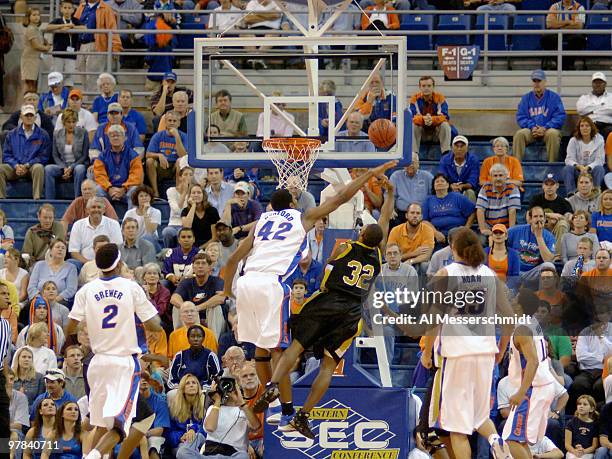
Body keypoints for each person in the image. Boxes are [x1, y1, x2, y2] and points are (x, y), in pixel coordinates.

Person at [224, 161, 396, 431]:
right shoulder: (379, 252)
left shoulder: (344, 247)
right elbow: (382, 217)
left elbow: (325, 266)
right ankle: (302, 415)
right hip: (352, 312)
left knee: (292, 346)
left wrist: (226, 291)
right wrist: (389, 193)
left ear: (361, 232)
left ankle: (272, 389)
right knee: (328, 364)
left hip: (321, 298)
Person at [423, 228, 515, 459]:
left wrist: (427, 351)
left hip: (456, 356)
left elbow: (434, 318)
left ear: (454, 248)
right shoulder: (489, 274)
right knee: (480, 416)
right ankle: (496, 442)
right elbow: (509, 318)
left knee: (457, 427)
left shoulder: (446, 273)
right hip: (485, 354)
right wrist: (501, 350)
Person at [65, 243, 162, 459]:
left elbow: (70, 327)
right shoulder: (130, 287)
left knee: (100, 424)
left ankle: (91, 454)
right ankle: (92, 456)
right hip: (123, 362)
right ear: (119, 263)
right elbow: (155, 324)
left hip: (96, 362)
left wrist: (90, 324)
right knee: (119, 427)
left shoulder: (86, 290)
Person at [502, 289, 557, 459]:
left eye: (514, 299)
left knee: (511, 440)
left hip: (533, 389)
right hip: (542, 386)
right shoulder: (531, 323)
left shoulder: (522, 329)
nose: (511, 301)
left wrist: (521, 392)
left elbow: (532, 361)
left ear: (519, 305)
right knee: (521, 440)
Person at [177, 373, 260, 459]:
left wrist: (241, 402)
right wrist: (217, 401)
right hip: (210, 454)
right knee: (182, 452)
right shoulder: (213, 408)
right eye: (223, 386)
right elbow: (210, 427)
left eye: (231, 386)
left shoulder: (244, 410)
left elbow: (256, 426)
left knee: (243, 456)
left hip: (233, 454)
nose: (227, 389)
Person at [0, 105, 51, 200]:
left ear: (35, 117)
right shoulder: (11, 134)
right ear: (21, 116)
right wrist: (16, 165)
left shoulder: (43, 135)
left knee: (39, 167)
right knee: (1, 169)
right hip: (14, 168)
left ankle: (37, 199)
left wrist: (28, 164)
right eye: (26, 115)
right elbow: (6, 155)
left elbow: (43, 156)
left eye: (31, 115)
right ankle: (1, 201)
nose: (29, 117)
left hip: (31, 167)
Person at [513, 70, 566, 162]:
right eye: (534, 81)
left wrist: (545, 127)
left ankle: (552, 167)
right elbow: (521, 116)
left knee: (553, 134)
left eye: (539, 81)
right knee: (519, 134)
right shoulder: (526, 98)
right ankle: (516, 167)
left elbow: (560, 116)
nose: (537, 84)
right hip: (531, 131)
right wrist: (532, 127)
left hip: (548, 130)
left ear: (545, 82)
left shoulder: (554, 97)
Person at [170, 253, 225, 338]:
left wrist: (197, 308)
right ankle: (179, 340)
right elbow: (174, 298)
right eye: (197, 263)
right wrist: (187, 308)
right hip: (191, 316)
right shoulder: (186, 282)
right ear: (193, 267)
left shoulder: (217, 281)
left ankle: (213, 342)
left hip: (210, 317)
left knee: (216, 307)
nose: (200, 266)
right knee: (177, 308)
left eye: (203, 263)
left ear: (210, 267)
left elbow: (220, 298)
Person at [93, 124, 144, 208]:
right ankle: (102, 219)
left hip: (126, 190)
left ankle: (132, 219)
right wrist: (109, 188)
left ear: (124, 138)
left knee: (135, 190)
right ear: (109, 139)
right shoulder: (102, 156)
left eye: (118, 135)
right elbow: (99, 175)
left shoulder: (133, 155)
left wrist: (124, 188)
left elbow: (136, 176)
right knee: (98, 190)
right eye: (112, 136)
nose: (115, 138)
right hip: (109, 190)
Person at [45, 108, 88, 200]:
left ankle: (78, 200)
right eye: (68, 122)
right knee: (48, 169)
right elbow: (55, 155)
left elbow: (84, 155)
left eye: (73, 121)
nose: (71, 124)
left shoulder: (83, 133)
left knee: (80, 169)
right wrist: (64, 167)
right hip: (62, 165)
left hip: (77, 164)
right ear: (64, 122)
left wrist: (71, 167)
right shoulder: (57, 134)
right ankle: (49, 201)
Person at [68, 197, 122, 270]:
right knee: (71, 263)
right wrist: (89, 264)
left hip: (108, 263)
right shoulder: (78, 225)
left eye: (99, 207)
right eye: (93, 207)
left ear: (104, 210)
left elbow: (117, 248)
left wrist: (105, 263)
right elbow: (74, 252)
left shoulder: (113, 224)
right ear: (87, 210)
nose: (96, 210)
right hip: (84, 264)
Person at [146, 110, 187, 198]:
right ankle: (155, 192)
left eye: (174, 121)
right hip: (161, 165)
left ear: (179, 123)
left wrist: (177, 137)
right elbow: (148, 154)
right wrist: (159, 155)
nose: (172, 123)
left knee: (181, 161)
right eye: (169, 120)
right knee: (150, 161)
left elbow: (183, 156)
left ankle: (178, 191)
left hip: (175, 167)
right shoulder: (158, 136)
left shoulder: (183, 136)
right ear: (165, 122)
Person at [422, 173, 475, 239]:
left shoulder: (458, 197)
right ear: (434, 186)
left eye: (442, 181)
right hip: (438, 235)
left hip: (458, 234)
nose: (439, 183)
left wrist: (466, 229)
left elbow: (472, 213)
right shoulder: (428, 200)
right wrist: (435, 233)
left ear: (447, 185)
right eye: (437, 182)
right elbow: (424, 221)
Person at [168, 325, 221, 390]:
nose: (196, 339)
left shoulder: (211, 356)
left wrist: (200, 388)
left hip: (203, 390)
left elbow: (218, 378)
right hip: (182, 390)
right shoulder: (179, 355)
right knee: (172, 394)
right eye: (192, 336)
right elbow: (171, 381)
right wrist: (183, 388)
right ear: (188, 338)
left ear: (203, 338)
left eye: (199, 336)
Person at [387, 203, 435, 275]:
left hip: (417, 262)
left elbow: (426, 256)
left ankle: (423, 286)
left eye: (418, 213)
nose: (415, 216)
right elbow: (391, 256)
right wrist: (413, 253)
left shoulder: (428, 230)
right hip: (400, 262)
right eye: (412, 213)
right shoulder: (395, 230)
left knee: (425, 265)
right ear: (406, 215)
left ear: (421, 217)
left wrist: (411, 261)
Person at [410, 75, 452, 155]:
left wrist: (432, 120)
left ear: (433, 87)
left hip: (436, 134)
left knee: (445, 125)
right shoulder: (414, 99)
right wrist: (424, 119)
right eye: (423, 86)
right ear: (420, 87)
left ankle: (446, 154)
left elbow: (444, 117)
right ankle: (414, 154)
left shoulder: (440, 98)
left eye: (429, 86)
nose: (426, 88)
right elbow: (412, 117)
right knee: (413, 125)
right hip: (422, 134)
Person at [563, 117, 606, 195]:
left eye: (587, 125)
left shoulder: (599, 139)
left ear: (591, 127)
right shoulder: (573, 140)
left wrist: (588, 167)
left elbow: (600, 160)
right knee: (567, 169)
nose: (584, 128)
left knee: (600, 169)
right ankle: (571, 194)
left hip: (591, 170)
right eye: (582, 126)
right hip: (578, 170)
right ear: (579, 128)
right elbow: (568, 159)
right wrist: (579, 166)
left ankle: (595, 193)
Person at [507, 206, 556, 274]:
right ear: (530, 219)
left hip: (533, 273)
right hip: (514, 270)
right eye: (535, 216)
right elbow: (499, 236)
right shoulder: (515, 230)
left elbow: (549, 260)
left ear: (545, 219)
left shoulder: (549, 237)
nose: (538, 219)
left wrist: (539, 237)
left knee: (549, 266)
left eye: (541, 216)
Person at [165, 374, 205, 455]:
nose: (191, 385)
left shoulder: (205, 405)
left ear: (198, 387)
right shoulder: (175, 408)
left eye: (194, 383)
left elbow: (208, 430)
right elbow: (168, 433)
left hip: (201, 441)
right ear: (182, 389)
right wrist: (181, 436)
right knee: (183, 451)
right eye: (187, 383)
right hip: (181, 443)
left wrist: (193, 429)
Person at [28, 240, 77, 306]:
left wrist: (55, 300)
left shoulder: (71, 268)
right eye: (57, 247)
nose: (60, 249)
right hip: (39, 301)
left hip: (60, 302)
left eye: (63, 248)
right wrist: (41, 299)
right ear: (50, 251)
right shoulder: (39, 265)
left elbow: (71, 289)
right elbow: (31, 287)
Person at [541, 0, 586, 71]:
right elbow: (550, 24)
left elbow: (579, 25)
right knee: (546, 38)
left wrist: (558, 25)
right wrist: (568, 22)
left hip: (572, 33)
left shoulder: (579, 7)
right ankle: (562, 64)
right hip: (557, 33)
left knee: (579, 39)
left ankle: (567, 64)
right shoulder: (554, 7)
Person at [45, 1, 81, 87]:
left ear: (73, 10)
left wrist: (71, 27)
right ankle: (55, 96)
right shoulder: (58, 20)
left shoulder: (75, 21)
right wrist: (61, 27)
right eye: (65, 8)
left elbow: (84, 27)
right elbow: (48, 27)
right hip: (58, 53)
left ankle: (67, 97)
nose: (67, 10)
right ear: (61, 9)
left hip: (71, 54)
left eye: (69, 8)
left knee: (69, 76)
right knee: (57, 76)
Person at [437, 135, 480, 202]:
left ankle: (470, 212)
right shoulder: (445, 159)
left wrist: (462, 186)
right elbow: (442, 177)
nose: (459, 149)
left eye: (462, 146)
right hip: (449, 188)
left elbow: (473, 182)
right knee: (442, 189)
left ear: (467, 148)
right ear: (452, 148)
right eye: (456, 146)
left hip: (466, 189)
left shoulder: (473, 160)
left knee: (470, 192)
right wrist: (451, 186)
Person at [21, 8, 52, 92]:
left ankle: (32, 103)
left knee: (33, 83)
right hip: (29, 59)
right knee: (30, 83)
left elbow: (42, 42)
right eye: (34, 15)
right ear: (28, 17)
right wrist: (47, 48)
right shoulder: (31, 29)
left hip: (35, 59)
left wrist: (46, 44)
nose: (36, 17)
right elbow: (36, 46)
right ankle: (27, 103)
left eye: (38, 15)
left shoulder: (36, 29)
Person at [123, 185, 162, 250]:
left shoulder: (156, 212)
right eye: (141, 196)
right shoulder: (129, 213)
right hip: (134, 241)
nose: (144, 198)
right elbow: (124, 231)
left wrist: (145, 213)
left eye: (146, 195)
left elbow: (150, 231)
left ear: (150, 197)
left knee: (148, 237)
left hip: (151, 242)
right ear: (137, 198)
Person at [577, 72, 612, 141]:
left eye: (600, 82)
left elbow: (610, 110)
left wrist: (592, 111)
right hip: (589, 124)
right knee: (578, 133)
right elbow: (580, 110)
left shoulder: (611, 97)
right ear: (592, 84)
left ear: (605, 84)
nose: (598, 85)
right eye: (595, 83)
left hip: (607, 125)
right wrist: (603, 107)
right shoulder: (584, 98)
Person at [164, 167, 193, 248]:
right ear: (180, 177)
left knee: (182, 233)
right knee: (167, 232)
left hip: (186, 224)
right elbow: (177, 210)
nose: (188, 177)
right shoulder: (171, 191)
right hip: (173, 223)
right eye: (185, 174)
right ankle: (168, 254)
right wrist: (184, 192)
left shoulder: (193, 193)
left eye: (190, 175)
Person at [0, 282, 11, 446]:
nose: (8, 297)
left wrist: (7, 384)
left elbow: (5, 357)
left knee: (3, 427)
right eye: (3, 294)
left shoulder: (6, 324)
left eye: (8, 294)